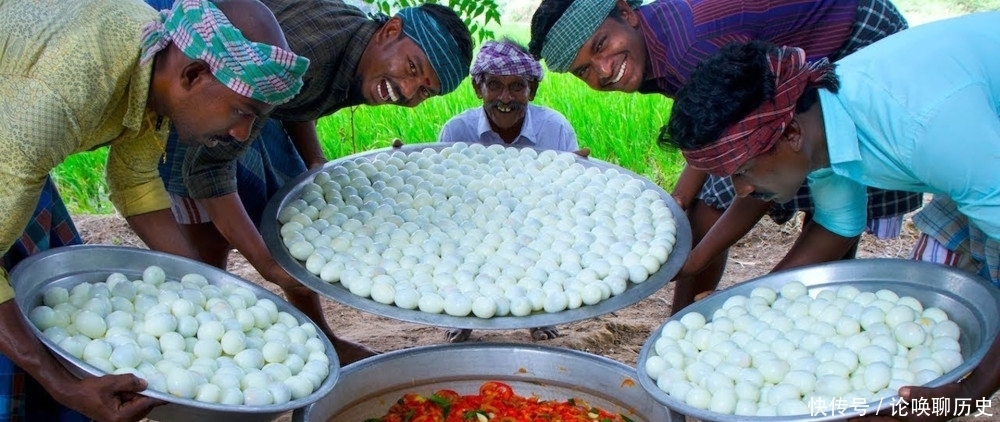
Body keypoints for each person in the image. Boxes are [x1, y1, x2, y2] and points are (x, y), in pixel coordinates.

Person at [658, 12, 1000, 419]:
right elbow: (838, 224)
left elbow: (961, 155)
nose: (742, 190)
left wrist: (968, 394)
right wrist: (751, 304)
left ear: (790, 137)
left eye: (743, 172)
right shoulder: (823, 122)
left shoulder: (925, 130)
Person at [0, 0, 309, 419]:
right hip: (16, 130)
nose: (241, 133)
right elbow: (20, 152)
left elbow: (135, 177)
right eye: (242, 112)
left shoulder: (154, 54)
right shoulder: (62, 96)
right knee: (22, 364)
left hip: (13, 139)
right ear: (194, 74)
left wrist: (203, 290)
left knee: (43, 308)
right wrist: (64, 385)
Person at [527, 0, 922, 315]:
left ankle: (803, 305)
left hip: (854, 35)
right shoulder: (650, 42)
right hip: (779, 60)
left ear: (626, 11)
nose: (604, 70)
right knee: (718, 197)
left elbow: (754, 174)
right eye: (585, 70)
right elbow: (711, 138)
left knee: (820, 183)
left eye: (601, 46)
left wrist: (696, 258)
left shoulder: (691, 49)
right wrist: (678, 199)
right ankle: (695, 321)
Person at [149, 0, 474, 365]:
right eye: (412, 68)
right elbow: (207, 169)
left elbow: (299, 96)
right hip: (200, 102)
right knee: (206, 237)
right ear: (391, 31)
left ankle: (321, 337)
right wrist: (268, 266)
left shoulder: (356, 51)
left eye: (424, 91)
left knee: (292, 196)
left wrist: (314, 161)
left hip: (250, 101)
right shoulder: (316, 51)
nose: (408, 90)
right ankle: (197, 336)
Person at [438, 39, 578, 343]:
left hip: (537, 218)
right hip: (476, 221)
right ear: (478, 88)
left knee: (552, 236)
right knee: (455, 237)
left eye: (517, 86)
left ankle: (539, 312)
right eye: (494, 85)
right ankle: (463, 312)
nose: (505, 97)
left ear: (532, 91)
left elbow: (569, 193)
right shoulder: (456, 132)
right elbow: (446, 195)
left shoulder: (554, 129)